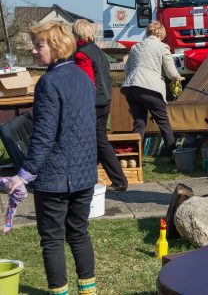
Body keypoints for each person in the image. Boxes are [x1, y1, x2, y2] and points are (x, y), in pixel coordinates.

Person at [3, 21, 97, 294]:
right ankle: (88, 291)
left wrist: (23, 176)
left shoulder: (48, 82)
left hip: (55, 177)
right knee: (79, 233)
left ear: (55, 47)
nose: (33, 50)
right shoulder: (83, 77)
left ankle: (61, 292)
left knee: (53, 239)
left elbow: (43, 136)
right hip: (84, 174)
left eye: (38, 45)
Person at [73, 19, 128, 192]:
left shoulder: (81, 54)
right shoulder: (98, 51)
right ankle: (87, 177)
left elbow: (85, 82)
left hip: (93, 102)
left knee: (99, 141)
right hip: (105, 99)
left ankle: (119, 181)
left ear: (76, 34)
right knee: (97, 140)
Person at [121, 21, 183, 158]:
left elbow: (127, 69)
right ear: (162, 34)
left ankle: (133, 156)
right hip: (150, 88)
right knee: (163, 122)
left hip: (130, 87)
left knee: (139, 122)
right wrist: (178, 78)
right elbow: (171, 73)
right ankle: (173, 154)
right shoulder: (162, 47)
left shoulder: (135, 47)